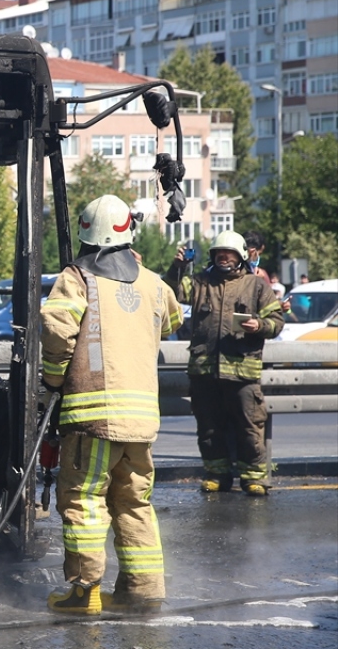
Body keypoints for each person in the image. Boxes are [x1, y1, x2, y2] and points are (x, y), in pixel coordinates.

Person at [41, 195, 182, 616]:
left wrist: (51, 379)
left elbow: (55, 331)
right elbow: (173, 321)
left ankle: (84, 592)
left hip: (93, 418)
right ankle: (143, 591)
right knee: (134, 503)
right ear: (127, 233)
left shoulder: (76, 278)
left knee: (83, 500)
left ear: (82, 232)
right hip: (141, 422)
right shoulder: (154, 282)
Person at [165, 230, 283, 497]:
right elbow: (170, 292)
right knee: (209, 427)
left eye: (228, 254)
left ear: (240, 256)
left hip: (242, 371)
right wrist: (177, 266)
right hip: (204, 371)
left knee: (249, 425)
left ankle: (254, 478)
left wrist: (260, 325)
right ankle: (216, 474)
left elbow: (277, 322)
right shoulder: (200, 282)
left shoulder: (256, 286)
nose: (223, 258)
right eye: (219, 253)